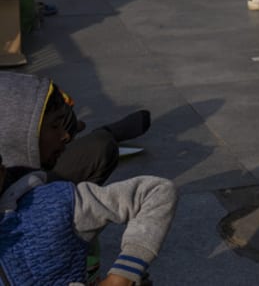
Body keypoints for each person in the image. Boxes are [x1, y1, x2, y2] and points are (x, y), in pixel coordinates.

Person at [0, 74, 177, 286]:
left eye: (61, 126)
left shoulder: (56, 204)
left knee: (101, 148)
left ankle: (106, 134)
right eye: (55, 126)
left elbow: (156, 191)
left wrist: (122, 276)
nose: (64, 136)